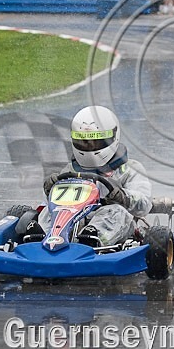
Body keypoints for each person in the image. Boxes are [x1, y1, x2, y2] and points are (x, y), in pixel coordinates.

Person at [39, 106, 152, 248]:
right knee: (48, 211)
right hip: (73, 221)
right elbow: (47, 204)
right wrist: (50, 191)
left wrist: (123, 196)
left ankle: (91, 239)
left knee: (116, 212)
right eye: (83, 142)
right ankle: (41, 238)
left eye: (95, 142)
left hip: (112, 225)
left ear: (112, 138)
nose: (89, 147)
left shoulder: (130, 169)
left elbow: (144, 204)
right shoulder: (69, 169)